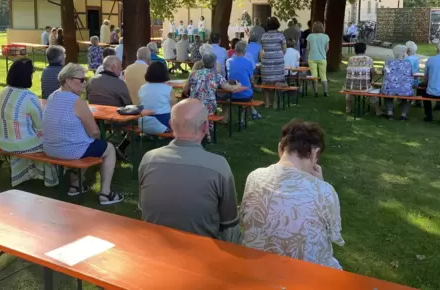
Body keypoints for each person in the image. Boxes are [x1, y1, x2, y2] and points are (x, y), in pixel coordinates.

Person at [240, 119, 344, 270]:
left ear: (280, 149)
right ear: (315, 152)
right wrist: (321, 183)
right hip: (305, 274)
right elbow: (333, 234)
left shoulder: (254, 176)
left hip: (257, 266)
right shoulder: (324, 191)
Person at [139, 98, 240, 242]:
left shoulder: (148, 159)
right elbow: (230, 223)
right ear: (205, 127)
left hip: (154, 245)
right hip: (201, 252)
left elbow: (144, 210)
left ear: (171, 125)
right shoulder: (218, 165)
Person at [43, 63, 123, 205]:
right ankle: (105, 193)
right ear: (68, 80)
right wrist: (96, 138)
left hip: (50, 148)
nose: (84, 83)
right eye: (81, 80)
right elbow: (94, 131)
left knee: (82, 143)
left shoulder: (52, 96)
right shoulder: (77, 101)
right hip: (70, 150)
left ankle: (76, 185)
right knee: (108, 148)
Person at [0, 59, 58, 187]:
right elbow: (40, 125)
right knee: (54, 140)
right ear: (27, 76)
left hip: (3, 141)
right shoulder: (29, 96)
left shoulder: (3, 92)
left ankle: (30, 171)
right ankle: (49, 176)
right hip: (21, 144)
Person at [185, 53, 241, 141]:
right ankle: (208, 132)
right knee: (208, 108)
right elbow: (230, 88)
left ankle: (201, 132)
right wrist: (238, 85)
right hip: (209, 106)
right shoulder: (217, 76)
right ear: (214, 63)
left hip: (194, 105)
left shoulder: (193, 74)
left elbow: (185, 89)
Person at [87, 56, 132, 158]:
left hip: (95, 118)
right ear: (113, 67)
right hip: (115, 119)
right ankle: (122, 147)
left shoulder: (92, 80)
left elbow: (88, 98)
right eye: (120, 67)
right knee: (140, 120)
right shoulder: (119, 83)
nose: (121, 70)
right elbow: (128, 104)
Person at [227, 41, 262, 124]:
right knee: (248, 89)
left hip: (231, 93)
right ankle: (242, 119)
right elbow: (252, 79)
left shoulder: (228, 62)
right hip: (244, 94)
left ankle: (253, 112)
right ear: (245, 51)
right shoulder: (248, 62)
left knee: (246, 89)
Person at [344, 42, 382, 116]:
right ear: (364, 50)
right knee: (372, 93)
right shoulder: (369, 59)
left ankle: (348, 108)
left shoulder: (350, 59)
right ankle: (378, 111)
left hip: (350, 87)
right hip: (364, 87)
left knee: (349, 91)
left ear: (355, 50)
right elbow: (372, 72)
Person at [138, 62, 175, 133]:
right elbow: (175, 106)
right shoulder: (168, 88)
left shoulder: (143, 88)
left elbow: (141, 102)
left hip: (145, 121)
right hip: (164, 121)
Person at [381, 45, 413, 121]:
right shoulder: (408, 63)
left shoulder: (388, 62)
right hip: (404, 89)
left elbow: (383, 72)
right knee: (407, 95)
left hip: (389, 89)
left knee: (387, 93)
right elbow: (411, 74)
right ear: (403, 53)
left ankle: (389, 113)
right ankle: (403, 115)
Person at [261, 16, 287, 108]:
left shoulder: (264, 36)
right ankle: (276, 103)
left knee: (266, 83)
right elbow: (284, 49)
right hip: (278, 61)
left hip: (266, 61)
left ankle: (267, 103)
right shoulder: (281, 35)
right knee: (278, 81)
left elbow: (263, 48)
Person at [307, 21, 330, 97]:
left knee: (314, 76)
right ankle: (325, 92)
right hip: (322, 58)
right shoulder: (326, 37)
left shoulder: (310, 36)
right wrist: (323, 53)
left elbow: (308, 48)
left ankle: (316, 92)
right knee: (323, 76)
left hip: (312, 57)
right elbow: (327, 48)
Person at [423, 43, 440, 122]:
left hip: (431, 92)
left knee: (424, 92)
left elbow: (425, 77)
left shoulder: (431, 59)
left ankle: (429, 115)